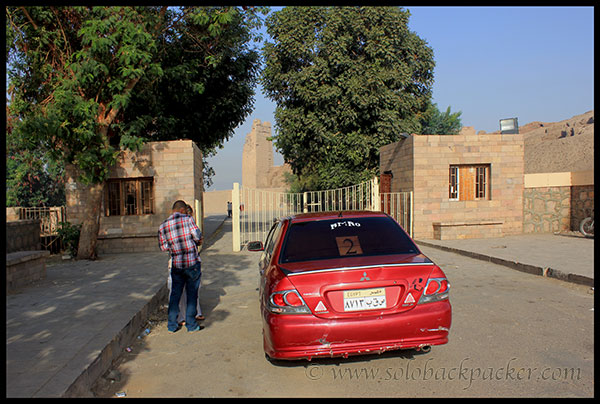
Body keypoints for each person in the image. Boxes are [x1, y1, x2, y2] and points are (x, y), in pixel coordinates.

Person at [158, 200, 203, 332]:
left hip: (176, 265)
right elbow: (197, 235)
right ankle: (191, 325)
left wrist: (174, 245)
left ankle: (172, 325)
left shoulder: (163, 226)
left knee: (175, 295)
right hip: (191, 263)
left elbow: (163, 247)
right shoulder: (188, 219)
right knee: (192, 294)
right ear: (183, 210)